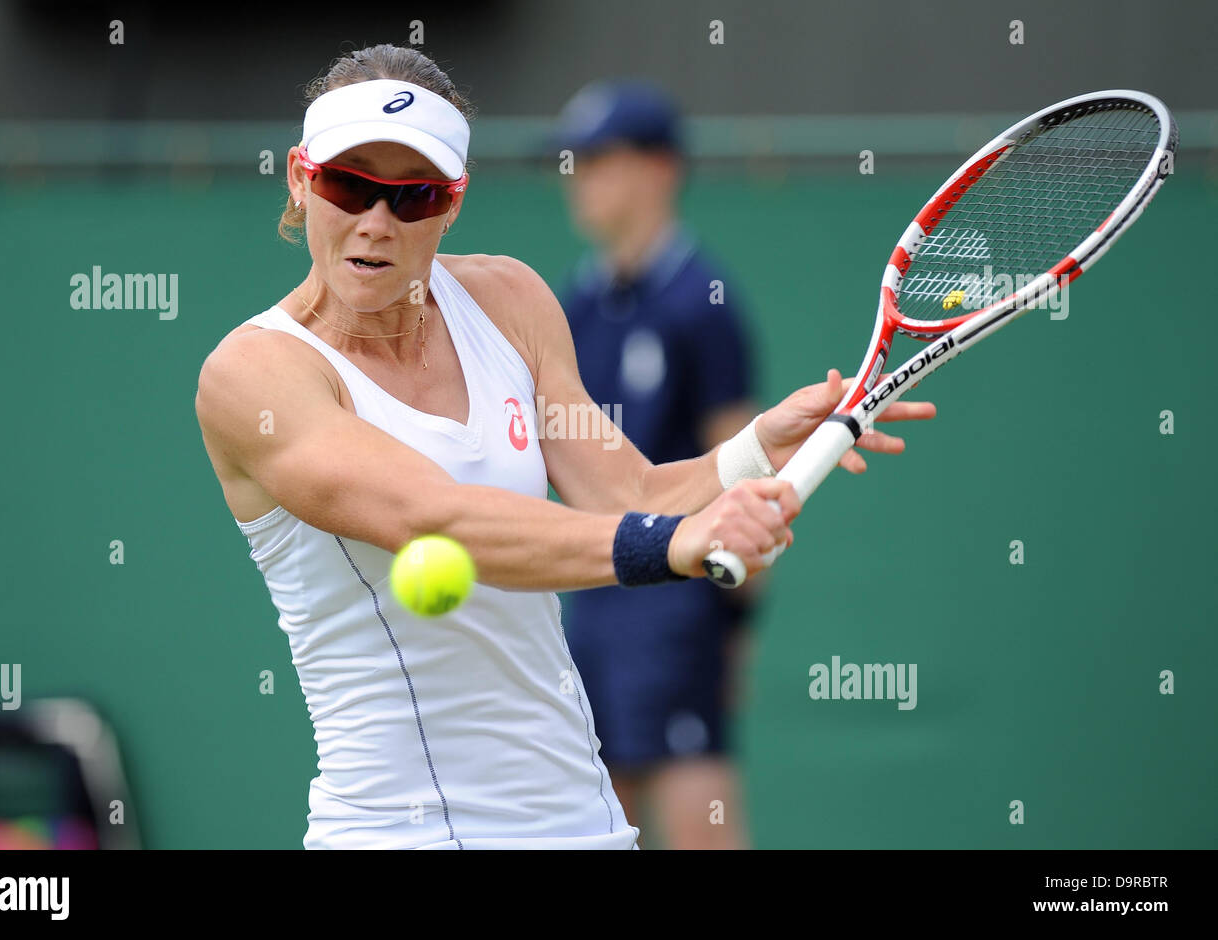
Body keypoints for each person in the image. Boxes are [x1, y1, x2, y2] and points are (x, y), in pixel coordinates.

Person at [194, 44, 934, 850]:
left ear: (452, 204)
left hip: (581, 823)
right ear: (302, 179)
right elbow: (434, 518)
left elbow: (633, 495)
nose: (376, 220)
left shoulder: (509, 300)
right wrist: (680, 543)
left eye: (413, 195)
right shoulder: (254, 374)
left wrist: (755, 449)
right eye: (349, 184)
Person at [553, 80, 761, 848]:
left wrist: (738, 619)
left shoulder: (702, 304)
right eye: (575, 162)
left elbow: (740, 463)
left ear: (661, 168)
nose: (579, 177)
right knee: (594, 822)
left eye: (601, 159)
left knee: (695, 806)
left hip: (679, 606)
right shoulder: (574, 306)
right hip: (593, 599)